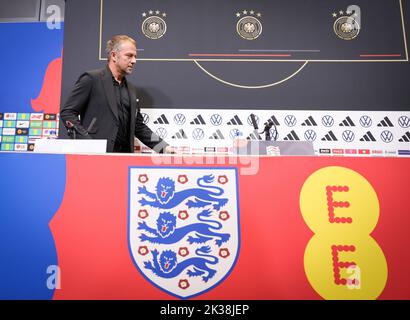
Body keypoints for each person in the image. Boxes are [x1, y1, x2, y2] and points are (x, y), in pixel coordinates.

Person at [60, 35, 174, 153]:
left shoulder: (131, 89)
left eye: (135, 56)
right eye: (129, 56)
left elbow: (138, 126)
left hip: (124, 160)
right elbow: (68, 113)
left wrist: (164, 147)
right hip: (95, 156)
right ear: (114, 56)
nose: (134, 61)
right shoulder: (91, 79)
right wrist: (88, 144)